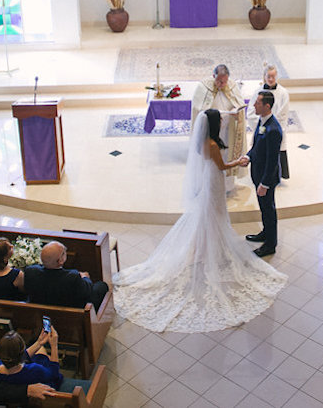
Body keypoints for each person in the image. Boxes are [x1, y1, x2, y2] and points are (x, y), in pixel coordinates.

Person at [112, 110, 287, 333]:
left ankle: (207, 245)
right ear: (213, 125)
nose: (222, 121)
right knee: (214, 214)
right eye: (220, 120)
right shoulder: (212, 145)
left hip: (211, 179)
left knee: (212, 214)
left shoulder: (206, 141)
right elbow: (222, 167)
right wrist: (239, 161)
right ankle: (210, 247)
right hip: (215, 180)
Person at [191, 64, 247, 192]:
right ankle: (207, 185)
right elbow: (198, 110)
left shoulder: (231, 86)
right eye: (219, 81)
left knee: (227, 154)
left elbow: (239, 104)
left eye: (225, 81)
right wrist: (220, 114)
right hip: (210, 132)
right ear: (213, 76)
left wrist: (236, 112)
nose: (222, 84)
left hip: (228, 131)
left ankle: (227, 186)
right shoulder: (203, 87)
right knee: (211, 160)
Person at [241, 91, 283, 257]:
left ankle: (270, 244)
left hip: (267, 178)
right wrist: (248, 156)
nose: (254, 105)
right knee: (264, 209)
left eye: (257, 103)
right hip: (258, 173)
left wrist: (264, 184)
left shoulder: (273, 129)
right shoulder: (263, 121)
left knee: (269, 210)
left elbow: (272, 161)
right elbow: (257, 146)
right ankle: (265, 233)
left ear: (267, 106)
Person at [26, 241, 109, 311]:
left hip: (40, 310)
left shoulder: (30, 271)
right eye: (64, 252)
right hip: (73, 312)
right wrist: (85, 277)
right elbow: (87, 291)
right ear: (60, 261)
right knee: (101, 286)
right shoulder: (72, 277)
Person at [248, 64, 291, 180]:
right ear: (264, 76)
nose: (271, 79)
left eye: (273, 76)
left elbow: (283, 113)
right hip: (262, 127)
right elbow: (251, 111)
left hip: (275, 128)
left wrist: (271, 123)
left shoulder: (283, 92)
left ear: (277, 76)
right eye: (268, 76)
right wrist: (262, 123)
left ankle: (277, 175)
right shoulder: (258, 91)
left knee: (275, 152)